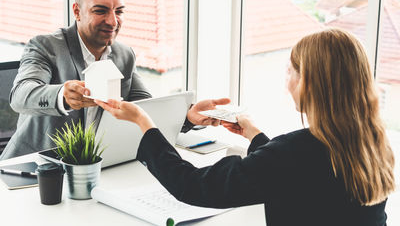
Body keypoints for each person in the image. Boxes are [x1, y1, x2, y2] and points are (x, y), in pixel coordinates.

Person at [95, 28, 396, 226]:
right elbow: (298, 171)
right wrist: (254, 134)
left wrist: (144, 122)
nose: (286, 80)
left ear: (310, 83)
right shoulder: (372, 142)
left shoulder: (293, 153)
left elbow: (192, 185)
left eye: (290, 70)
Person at [0, 0, 226, 160]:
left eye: (119, 11)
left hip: (96, 167)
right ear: (77, 11)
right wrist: (62, 95)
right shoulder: (45, 46)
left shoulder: (124, 55)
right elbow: (20, 95)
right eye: (100, 11)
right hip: (31, 169)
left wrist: (188, 117)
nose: (112, 21)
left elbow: (145, 111)